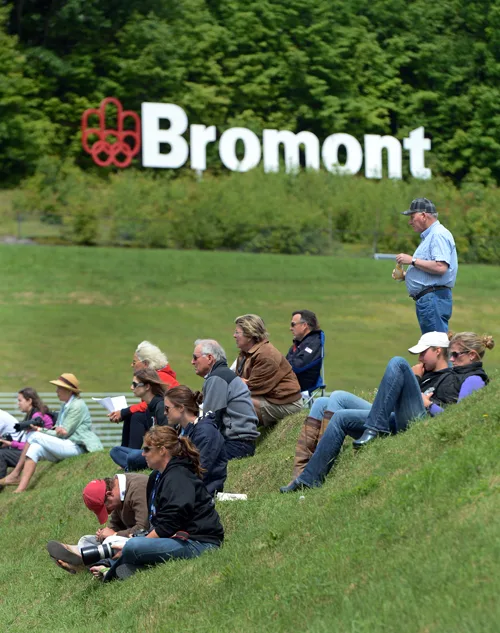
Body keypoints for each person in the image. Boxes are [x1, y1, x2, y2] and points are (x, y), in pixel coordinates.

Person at [281, 331, 493, 492]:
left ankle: (373, 430)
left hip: (425, 421)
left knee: (398, 363)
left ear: (472, 355)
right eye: (451, 355)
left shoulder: (473, 379)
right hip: (408, 416)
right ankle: (309, 480)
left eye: (455, 355)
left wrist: (429, 406)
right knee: (341, 417)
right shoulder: (450, 374)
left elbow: (456, 420)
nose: (452, 359)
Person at [92, 426, 224, 582]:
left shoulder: (179, 476)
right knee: (130, 543)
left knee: (133, 546)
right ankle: (122, 565)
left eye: (147, 449)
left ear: (162, 450)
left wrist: (137, 542)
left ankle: (116, 567)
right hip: (175, 539)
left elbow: (170, 522)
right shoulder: (157, 477)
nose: (143, 454)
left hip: (199, 542)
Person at [1, 373, 103, 493]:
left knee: (34, 435)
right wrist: (55, 429)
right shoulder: (65, 405)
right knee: (35, 448)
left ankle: (16, 473)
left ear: (69, 391)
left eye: (59, 388)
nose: (56, 391)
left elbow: (64, 433)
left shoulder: (77, 405)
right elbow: (58, 430)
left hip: (77, 446)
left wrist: (40, 430)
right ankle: (20, 489)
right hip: (67, 444)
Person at [46, 473, 149, 574]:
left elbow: (143, 528)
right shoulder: (119, 491)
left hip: (147, 537)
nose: (108, 513)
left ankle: (87, 560)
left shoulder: (136, 489)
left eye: (105, 509)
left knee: (110, 540)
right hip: (131, 535)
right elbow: (116, 524)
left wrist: (114, 534)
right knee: (86, 539)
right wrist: (104, 533)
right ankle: (80, 554)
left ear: (109, 494)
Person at [394, 197, 458, 334]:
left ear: (423, 215)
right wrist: (407, 275)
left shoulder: (438, 235)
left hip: (433, 298)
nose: (410, 222)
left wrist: (412, 260)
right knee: (432, 346)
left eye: (412, 217)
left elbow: (441, 267)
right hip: (431, 298)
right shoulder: (431, 236)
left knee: (435, 348)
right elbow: (432, 268)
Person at [191, 339, 259, 459]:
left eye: (195, 357)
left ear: (210, 358)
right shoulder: (222, 375)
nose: (192, 362)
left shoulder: (217, 378)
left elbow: (210, 420)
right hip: (241, 442)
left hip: (236, 445)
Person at [234, 314, 302, 426]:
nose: (234, 335)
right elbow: (239, 382)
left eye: (237, 332)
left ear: (249, 334)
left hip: (287, 404)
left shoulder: (266, 355)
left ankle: (240, 442)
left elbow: (250, 387)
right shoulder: (246, 354)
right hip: (270, 399)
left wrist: (237, 383)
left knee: (235, 402)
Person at [108, 341, 179, 448]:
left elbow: (152, 404)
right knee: (133, 415)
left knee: (137, 417)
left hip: (170, 422)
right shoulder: (160, 375)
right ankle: (126, 453)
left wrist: (125, 411)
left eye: (134, 362)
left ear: (145, 363)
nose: (132, 365)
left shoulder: (160, 377)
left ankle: (131, 455)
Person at [165, 385, 227, 495]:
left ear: (181, 408)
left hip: (203, 491)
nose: (165, 413)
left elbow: (199, 470)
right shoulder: (183, 429)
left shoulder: (205, 432)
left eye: (167, 409)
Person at [109, 368, 167, 471]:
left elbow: (166, 439)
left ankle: (133, 464)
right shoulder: (150, 407)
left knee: (132, 456)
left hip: (161, 452)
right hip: (153, 451)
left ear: (147, 387)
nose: (131, 387)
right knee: (115, 451)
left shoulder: (160, 406)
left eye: (135, 384)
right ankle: (135, 463)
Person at [0, 388, 54, 490]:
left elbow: (30, 444)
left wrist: (11, 444)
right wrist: (10, 444)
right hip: (38, 451)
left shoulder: (36, 417)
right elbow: (28, 443)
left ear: (29, 401)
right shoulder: (33, 415)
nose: (18, 404)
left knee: (1, 454)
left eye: (20, 400)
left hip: (41, 454)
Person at [286, 310, 324, 392]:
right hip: (289, 382)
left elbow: (297, 366)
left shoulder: (314, 343)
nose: (290, 328)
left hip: (300, 385)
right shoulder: (298, 344)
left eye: (293, 325)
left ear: (304, 325)